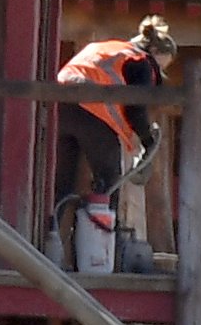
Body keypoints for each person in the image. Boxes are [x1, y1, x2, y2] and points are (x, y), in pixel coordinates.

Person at [53, 16, 179, 266]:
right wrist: (146, 139)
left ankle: (50, 246)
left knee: (61, 184)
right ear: (156, 51)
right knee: (108, 182)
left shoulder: (107, 48)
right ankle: (99, 255)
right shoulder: (142, 62)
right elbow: (136, 108)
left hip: (60, 104)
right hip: (94, 111)